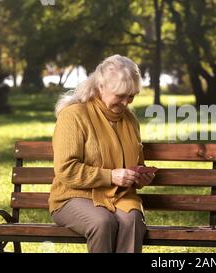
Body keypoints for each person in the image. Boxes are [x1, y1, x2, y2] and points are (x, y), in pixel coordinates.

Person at [48, 55, 154, 253]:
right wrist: (111, 176)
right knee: (102, 223)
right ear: (100, 87)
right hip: (73, 197)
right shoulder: (74, 115)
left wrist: (140, 176)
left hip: (119, 197)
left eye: (131, 96)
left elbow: (136, 162)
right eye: (120, 95)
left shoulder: (130, 120)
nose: (126, 102)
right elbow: (66, 169)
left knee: (132, 222)